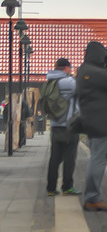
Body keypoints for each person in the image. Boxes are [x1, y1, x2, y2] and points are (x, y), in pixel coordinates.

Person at [76, 41, 107, 212]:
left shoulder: (85, 70)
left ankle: (92, 197)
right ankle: (92, 198)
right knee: (98, 159)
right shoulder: (92, 71)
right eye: (104, 57)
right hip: (101, 122)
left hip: (94, 120)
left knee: (96, 157)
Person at [40, 58, 79, 196]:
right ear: (66, 68)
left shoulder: (50, 81)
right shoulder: (68, 82)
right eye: (70, 68)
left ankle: (51, 188)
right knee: (69, 158)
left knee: (54, 158)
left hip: (55, 126)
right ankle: (67, 187)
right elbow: (85, 87)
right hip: (69, 127)